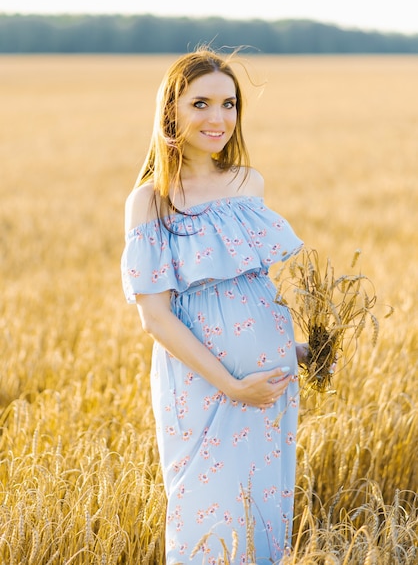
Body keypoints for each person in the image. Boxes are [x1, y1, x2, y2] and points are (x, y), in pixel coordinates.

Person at [121, 47, 308, 564]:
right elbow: (154, 316)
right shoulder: (152, 200)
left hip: (270, 384)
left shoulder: (249, 183)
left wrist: (298, 349)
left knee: (261, 517)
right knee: (207, 521)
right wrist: (231, 384)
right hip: (205, 388)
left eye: (229, 105)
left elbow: (252, 290)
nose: (218, 118)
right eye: (201, 103)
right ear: (171, 111)